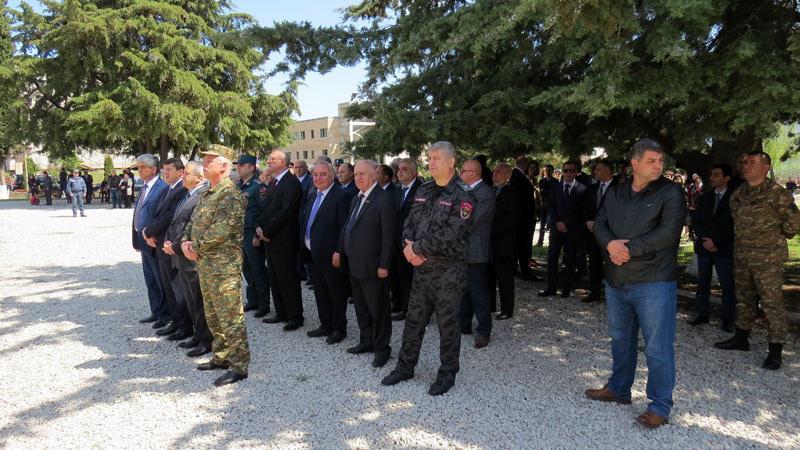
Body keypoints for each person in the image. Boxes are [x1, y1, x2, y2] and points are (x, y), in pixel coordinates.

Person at [586, 138, 685, 429]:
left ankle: (660, 405)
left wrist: (627, 249)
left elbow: (668, 233)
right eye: (651, 161)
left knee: (657, 347)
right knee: (620, 338)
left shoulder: (671, 192)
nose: (658, 166)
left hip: (653, 281)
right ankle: (619, 388)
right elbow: (600, 223)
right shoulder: (616, 191)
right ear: (634, 163)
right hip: (617, 279)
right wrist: (610, 245)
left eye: (660, 161)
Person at [382, 141, 475, 396]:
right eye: (429, 158)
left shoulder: (463, 194)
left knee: (448, 326)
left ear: (451, 162)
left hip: (448, 274)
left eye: (436, 158)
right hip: (421, 271)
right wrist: (409, 248)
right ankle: (405, 367)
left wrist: (417, 249)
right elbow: (409, 222)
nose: (430, 162)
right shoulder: (425, 189)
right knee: (413, 322)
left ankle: (447, 374)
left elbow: (453, 234)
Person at [715, 151, 800, 370]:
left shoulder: (777, 193)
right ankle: (741, 338)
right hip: (743, 255)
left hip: (767, 258)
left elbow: (793, 223)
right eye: (745, 162)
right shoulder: (738, 193)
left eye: (752, 163)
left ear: (766, 167)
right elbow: (736, 220)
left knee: (771, 303)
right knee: (744, 298)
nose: (746, 166)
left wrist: (771, 238)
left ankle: (775, 350)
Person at [181, 145, 249, 387]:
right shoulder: (208, 192)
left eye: (210, 160)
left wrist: (194, 246)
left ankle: (239, 366)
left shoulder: (230, 194)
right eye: (205, 159)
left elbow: (222, 230)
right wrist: (185, 241)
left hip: (224, 268)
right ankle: (221, 356)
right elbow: (193, 221)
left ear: (224, 166)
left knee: (230, 318)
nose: (205, 163)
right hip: (206, 264)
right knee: (213, 316)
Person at [335, 160, 396, 367]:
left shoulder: (384, 199)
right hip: (355, 264)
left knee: (378, 310)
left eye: (362, 174)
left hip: (373, 266)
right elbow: (348, 227)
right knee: (361, 307)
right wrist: (340, 251)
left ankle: (382, 348)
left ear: (374, 175)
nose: (358, 177)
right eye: (356, 174)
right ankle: (366, 341)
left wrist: (384, 265)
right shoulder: (356, 198)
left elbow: (389, 235)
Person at [163, 161, 213, 357]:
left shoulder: (201, 196)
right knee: (190, 299)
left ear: (199, 177)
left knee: (197, 300)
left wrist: (175, 246)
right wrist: (170, 243)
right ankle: (197, 334)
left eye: (188, 174)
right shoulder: (189, 194)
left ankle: (205, 340)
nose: (183, 176)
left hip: (191, 256)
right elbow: (176, 222)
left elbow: (191, 228)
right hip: (180, 253)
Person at [302, 161, 354, 344]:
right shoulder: (312, 194)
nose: (318, 178)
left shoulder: (341, 196)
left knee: (336, 293)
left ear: (332, 176)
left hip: (332, 255)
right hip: (313, 254)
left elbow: (344, 227)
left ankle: (339, 329)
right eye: (315, 174)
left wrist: (339, 251)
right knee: (320, 292)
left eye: (323, 174)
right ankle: (325, 324)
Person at [256, 150, 304, 331]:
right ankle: (281, 312)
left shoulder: (291, 183)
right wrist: (259, 227)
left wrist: (267, 231)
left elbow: (286, 211)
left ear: (283, 162)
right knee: (275, 278)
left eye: (272, 159)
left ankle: (295, 316)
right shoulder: (275, 182)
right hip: (271, 239)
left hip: (284, 240)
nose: (268, 161)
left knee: (287, 279)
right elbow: (267, 208)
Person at [143, 158, 189, 340]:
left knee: (176, 287)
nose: (165, 173)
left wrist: (149, 231)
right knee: (168, 286)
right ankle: (176, 322)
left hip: (171, 244)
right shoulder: (168, 189)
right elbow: (157, 215)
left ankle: (184, 326)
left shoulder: (182, 189)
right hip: (161, 243)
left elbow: (170, 216)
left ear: (180, 172)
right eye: (164, 170)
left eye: (169, 169)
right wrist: (149, 232)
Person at [688, 164, 736, 332]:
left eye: (716, 175)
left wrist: (716, 242)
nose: (711, 178)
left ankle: (728, 319)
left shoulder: (735, 198)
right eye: (711, 174)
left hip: (723, 249)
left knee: (727, 285)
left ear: (726, 178)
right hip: (704, 248)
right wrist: (704, 240)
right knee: (703, 283)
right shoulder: (705, 197)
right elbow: (696, 221)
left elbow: (734, 225)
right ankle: (702, 314)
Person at [458, 160, 495, 348]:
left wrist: (452, 225)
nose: (460, 173)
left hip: (476, 250)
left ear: (473, 172)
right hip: (462, 249)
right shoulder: (465, 190)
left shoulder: (485, 193)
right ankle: (463, 324)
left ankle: (484, 331)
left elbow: (472, 221)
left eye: (463, 170)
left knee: (479, 293)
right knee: (463, 291)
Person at [538, 161, 587, 298]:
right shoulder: (555, 187)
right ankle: (551, 287)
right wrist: (558, 222)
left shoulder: (582, 189)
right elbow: (551, 206)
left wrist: (567, 224)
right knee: (552, 257)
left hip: (572, 229)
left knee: (571, 259)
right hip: (556, 228)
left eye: (572, 171)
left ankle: (566, 289)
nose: (568, 173)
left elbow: (580, 211)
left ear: (577, 172)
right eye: (566, 170)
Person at [132, 154, 170, 327]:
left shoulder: (162, 188)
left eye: (143, 167)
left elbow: (162, 215)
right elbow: (139, 212)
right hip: (143, 240)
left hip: (154, 240)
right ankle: (156, 311)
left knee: (160, 278)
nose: (139, 170)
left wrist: (153, 234)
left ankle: (166, 314)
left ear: (153, 169)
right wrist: (136, 237)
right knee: (150, 279)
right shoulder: (144, 187)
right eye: (138, 167)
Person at [237, 154, 271, 318]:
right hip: (241, 232)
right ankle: (253, 300)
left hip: (252, 232)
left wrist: (258, 235)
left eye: (241, 165)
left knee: (258, 269)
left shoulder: (259, 187)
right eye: (237, 165)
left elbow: (263, 211)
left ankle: (264, 304)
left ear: (251, 167)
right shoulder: (239, 185)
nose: (238, 167)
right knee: (246, 269)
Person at [390, 158, 421, 321]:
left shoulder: (421, 190)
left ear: (414, 172)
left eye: (404, 169)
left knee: (411, 278)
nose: (400, 172)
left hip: (413, 243)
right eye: (399, 169)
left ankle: (411, 310)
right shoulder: (397, 190)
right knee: (399, 275)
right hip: (397, 242)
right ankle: (401, 304)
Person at [581, 160, 615, 303]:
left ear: (608, 171)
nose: (595, 172)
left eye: (599, 169)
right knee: (594, 262)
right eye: (595, 170)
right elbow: (584, 207)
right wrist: (587, 221)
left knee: (612, 264)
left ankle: (613, 294)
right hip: (593, 233)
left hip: (611, 233)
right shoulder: (592, 188)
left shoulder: (619, 188)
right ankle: (594, 292)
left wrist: (602, 225)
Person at [489, 163, 518, 320]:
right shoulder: (492, 191)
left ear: (507, 175)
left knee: (504, 277)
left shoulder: (511, 192)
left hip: (503, 242)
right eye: (494, 171)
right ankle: (491, 305)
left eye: (499, 172)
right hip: (490, 242)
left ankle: (507, 309)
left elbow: (511, 220)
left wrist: (491, 230)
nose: (494, 174)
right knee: (490, 275)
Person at [510, 156, 538, 280]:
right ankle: (526, 272)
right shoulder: (517, 176)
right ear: (525, 164)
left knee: (519, 245)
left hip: (521, 218)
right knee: (523, 246)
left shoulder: (518, 176)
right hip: (522, 219)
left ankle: (516, 269)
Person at [536, 164, 555, 246]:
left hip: (552, 206)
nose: (548, 172)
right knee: (542, 224)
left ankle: (551, 242)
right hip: (543, 205)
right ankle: (540, 241)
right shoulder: (541, 181)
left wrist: (545, 191)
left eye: (549, 170)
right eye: (546, 170)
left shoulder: (555, 181)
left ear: (552, 171)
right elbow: (540, 192)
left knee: (551, 224)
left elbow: (554, 193)